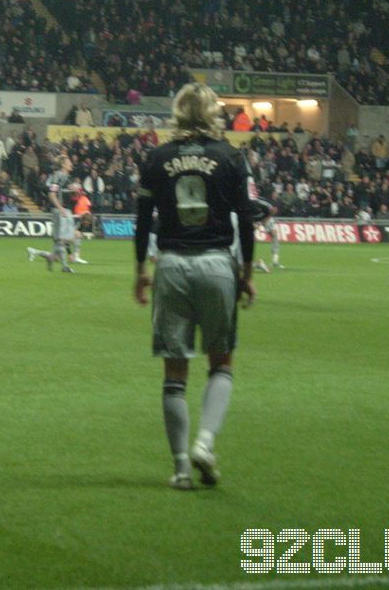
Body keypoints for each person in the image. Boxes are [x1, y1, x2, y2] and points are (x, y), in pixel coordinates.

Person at [133, 82, 256, 491]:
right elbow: (248, 219)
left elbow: (142, 222)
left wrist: (140, 270)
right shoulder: (231, 157)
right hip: (217, 263)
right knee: (221, 363)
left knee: (174, 374)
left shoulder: (156, 158)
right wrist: (247, 272)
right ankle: (206, 442)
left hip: (170, 265)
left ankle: (182, 467)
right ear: (212, 113)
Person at [27, 157, 76, 273]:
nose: (71, 164)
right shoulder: (58, 176)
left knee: (65, 239)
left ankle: (48, 256)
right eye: (69, 162)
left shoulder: (67, 178)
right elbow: (52, 194)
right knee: (62, 239)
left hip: (66, 210)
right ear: (63, 165)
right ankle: (64, 266)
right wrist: (60, 208)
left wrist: (73, 191)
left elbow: (63, 192)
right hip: (60, 211)